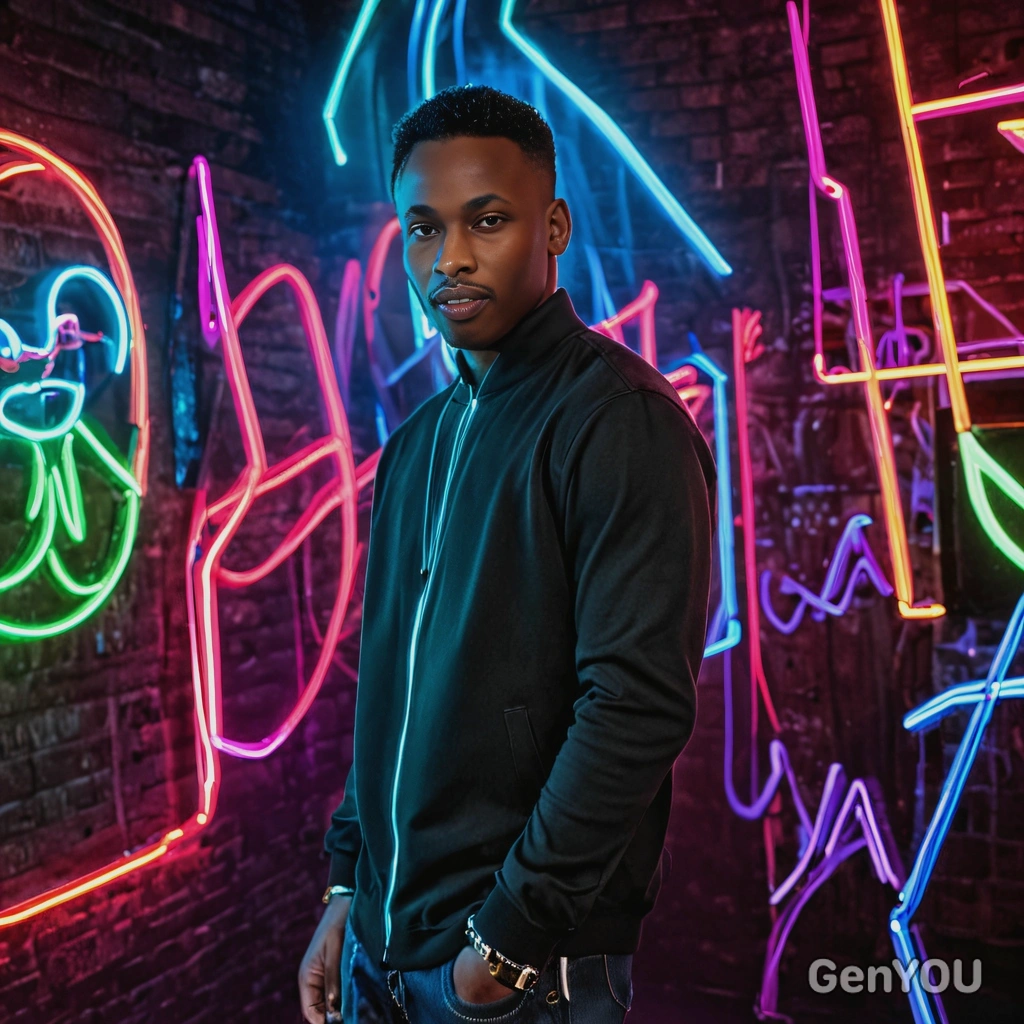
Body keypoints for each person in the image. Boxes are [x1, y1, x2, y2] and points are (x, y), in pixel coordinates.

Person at [299, 84, 715, 1024]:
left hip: (516, 979)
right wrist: (344, 893)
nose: (449, 258)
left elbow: (636, 709)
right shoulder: (414, 446)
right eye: (421, 229)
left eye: (486, 220)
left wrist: (501, 951)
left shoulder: (620, 422)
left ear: (555, 224)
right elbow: (393, 691)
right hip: (380, 958)